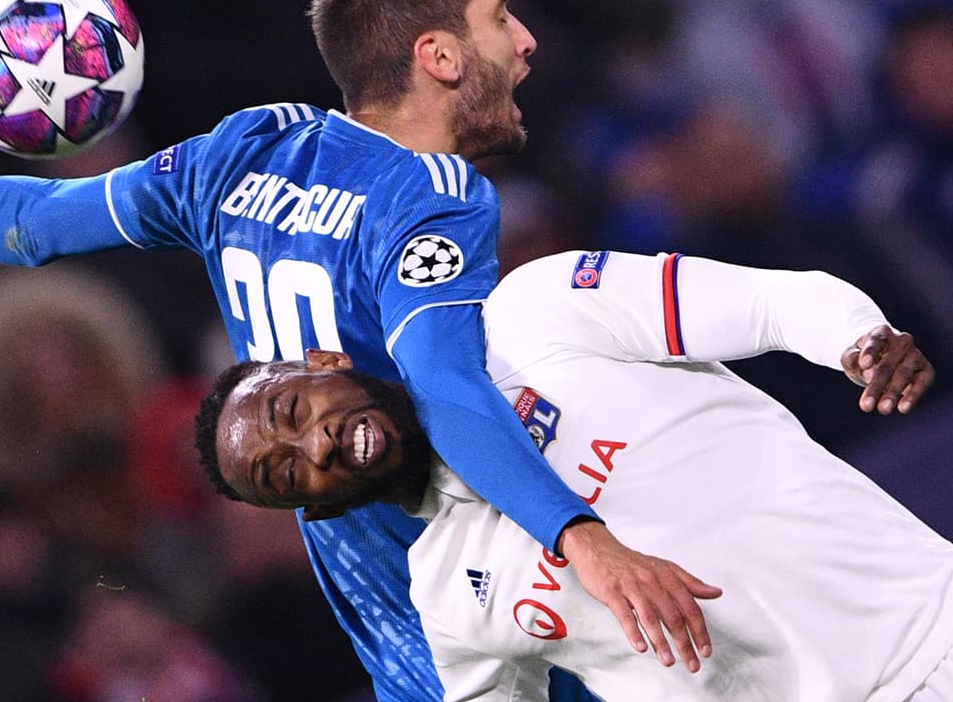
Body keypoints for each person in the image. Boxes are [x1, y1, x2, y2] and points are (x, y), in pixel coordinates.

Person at [0, 0, 715, 699]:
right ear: (433, 56)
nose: (525, 44)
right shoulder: (430, 198)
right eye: (498, 20)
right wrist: (581, 538)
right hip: (498, 580)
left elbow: (32, 220)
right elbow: (444, 389)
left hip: (386, 609)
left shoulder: (242, 152)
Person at [197, 250, 950, 701]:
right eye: (285, 471)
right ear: (316, 512)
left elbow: (772, 301)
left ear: (329, 363)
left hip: (933, 631)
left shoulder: (534, 315)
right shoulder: (451, 602)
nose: (315, 445)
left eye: (293, 408)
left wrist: (856, 338)